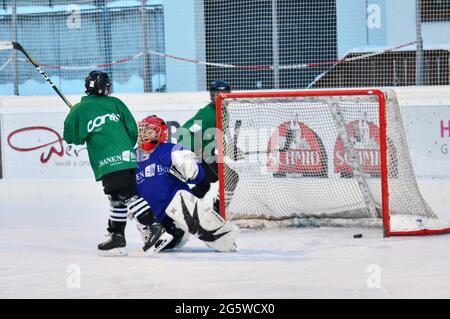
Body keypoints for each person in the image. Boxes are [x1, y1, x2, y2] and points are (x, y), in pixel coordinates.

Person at [63, 70, 173, 257]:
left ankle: (154, 227)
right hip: (126, 158)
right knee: (117, 197)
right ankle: (117, 236)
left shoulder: (79, 110)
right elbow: (132, 129)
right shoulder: (115, 103)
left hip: (108, 162)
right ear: (105, 88)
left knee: (128, 195)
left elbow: (72, 137)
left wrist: (78, 121)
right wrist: (123, 151)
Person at [136, 115, 239, 252]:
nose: (144, 135)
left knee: (180, 197)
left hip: (177, 215)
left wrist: (193, 168)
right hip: (154, 223)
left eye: (148, 132)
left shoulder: (171, 149)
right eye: (142, 131)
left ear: (160, 134)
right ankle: (154, 232)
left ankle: (221, 238)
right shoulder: (132, 156)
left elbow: (198, 177)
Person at [177, 80, 239, 213]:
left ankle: (183, 209)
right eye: (215, 93)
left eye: (220, 93)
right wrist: (195, 150)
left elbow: (216, 137)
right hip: (197, 155)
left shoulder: (223, 113)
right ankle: (218, 210)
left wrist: (232, 149)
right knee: (231, 177)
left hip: (205, 154)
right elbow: (184, 133)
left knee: (203, 186)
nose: (217, 97)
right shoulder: (208, 113)